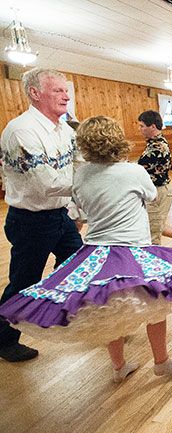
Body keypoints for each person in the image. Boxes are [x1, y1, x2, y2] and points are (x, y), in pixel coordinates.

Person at [0, 116, 172, 382]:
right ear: (118, 141)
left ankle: (119, 366)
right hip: (132, 250)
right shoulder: (133, 171)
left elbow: (80, 203)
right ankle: (161, 361)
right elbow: (152, 195)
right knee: (156, 306)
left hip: (96, 253)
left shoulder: (81, 176)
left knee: (110, 312)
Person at [0, 68, 83, 362]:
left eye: (66, 89)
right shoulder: (22, 131)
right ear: (35, 94)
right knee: (24, 281)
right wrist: (93, 185)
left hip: (59, 215)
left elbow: (79, 166)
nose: (66, 95)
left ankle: (70, 314)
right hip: (30, 221)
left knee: (79, 265)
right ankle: (4, 340)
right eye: (58, 90)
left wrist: (77, 208)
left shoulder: (65, 130)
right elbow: (46, 183)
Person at [137, 110, 172, 249]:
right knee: (155, 224)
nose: (140, 129)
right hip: (156, 191)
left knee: (152, 235)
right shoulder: (153, 143)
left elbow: (139, 169)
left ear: (153, 127)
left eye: (142, 126)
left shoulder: (158, 146)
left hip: (158, 193)